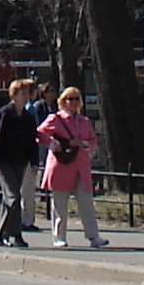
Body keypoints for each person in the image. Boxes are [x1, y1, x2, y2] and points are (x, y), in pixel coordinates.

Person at [36, 87, 107, 248]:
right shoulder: (55, 118)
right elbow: (40, 133)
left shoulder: (84, 121)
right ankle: (59, 237)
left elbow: (93, 139)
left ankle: (93, 236)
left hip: (81, 166)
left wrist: (87, 145)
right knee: (60, 204)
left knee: (86, 202)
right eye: (70, 99)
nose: (73, 102)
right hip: (61, 166)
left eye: (76, 98)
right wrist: (55, 144)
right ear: (63, 101)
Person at [0, 78, 44, 248]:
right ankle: (14, 234)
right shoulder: (4, 113)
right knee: (14, 198)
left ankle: (3, 235)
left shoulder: (27, 117)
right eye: (22, 93)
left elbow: (31, 141)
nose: (26, 96)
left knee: (8, 201)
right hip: (4, 162)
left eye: (28, 93)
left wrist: (34, 162)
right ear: (14, 95)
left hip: (20, 161)